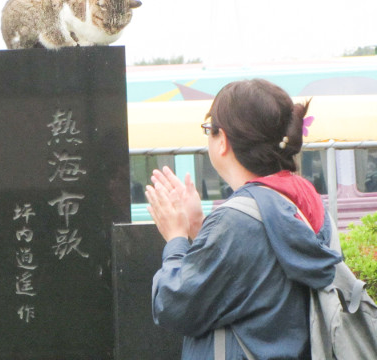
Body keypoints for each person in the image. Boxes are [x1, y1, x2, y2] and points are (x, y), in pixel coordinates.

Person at [145, 79, 342, 359]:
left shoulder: (235, 221)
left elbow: (173, 304)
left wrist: (176, 237)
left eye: (208, 129)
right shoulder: (303, 198)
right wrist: (200, 227)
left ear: (222, 140)